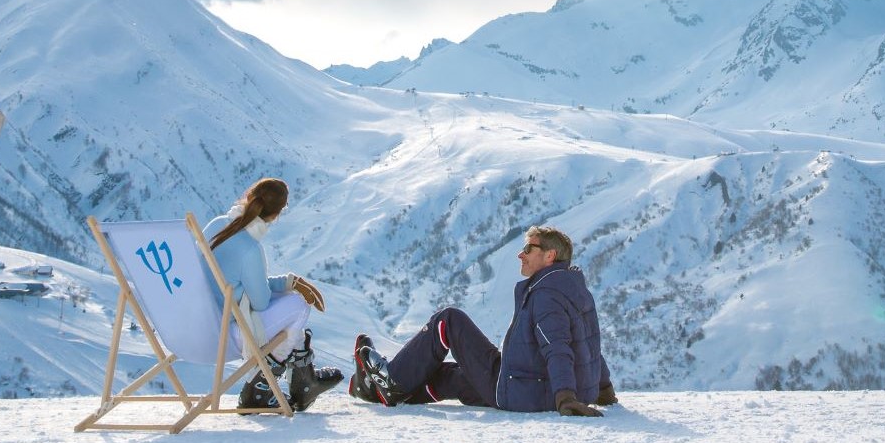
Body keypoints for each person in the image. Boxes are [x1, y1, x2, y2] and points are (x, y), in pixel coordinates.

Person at [350, 225, 617, 416]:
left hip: (520, 389)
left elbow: (557, 346)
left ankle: (391, 380)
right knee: (447, 376)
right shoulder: (574, 288)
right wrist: (601, 388)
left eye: (528, 248)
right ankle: (373, 390)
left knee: (449, 320)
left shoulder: (546, 294)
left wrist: (566, 397)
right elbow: (587, 344)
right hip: (528, 384)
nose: (520, 254)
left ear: (549, 256)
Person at [204, 177, 344, 411]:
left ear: (248, 196)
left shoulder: (217, 225)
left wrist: (289, 282)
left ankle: (303, 380)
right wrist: (290, 285)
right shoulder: (250, 248)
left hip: (197, 324)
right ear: (275, 215)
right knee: (298, 306)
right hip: (225, 333)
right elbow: (260, 302)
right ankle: (261, 385)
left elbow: (234, 284)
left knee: (290, 300)